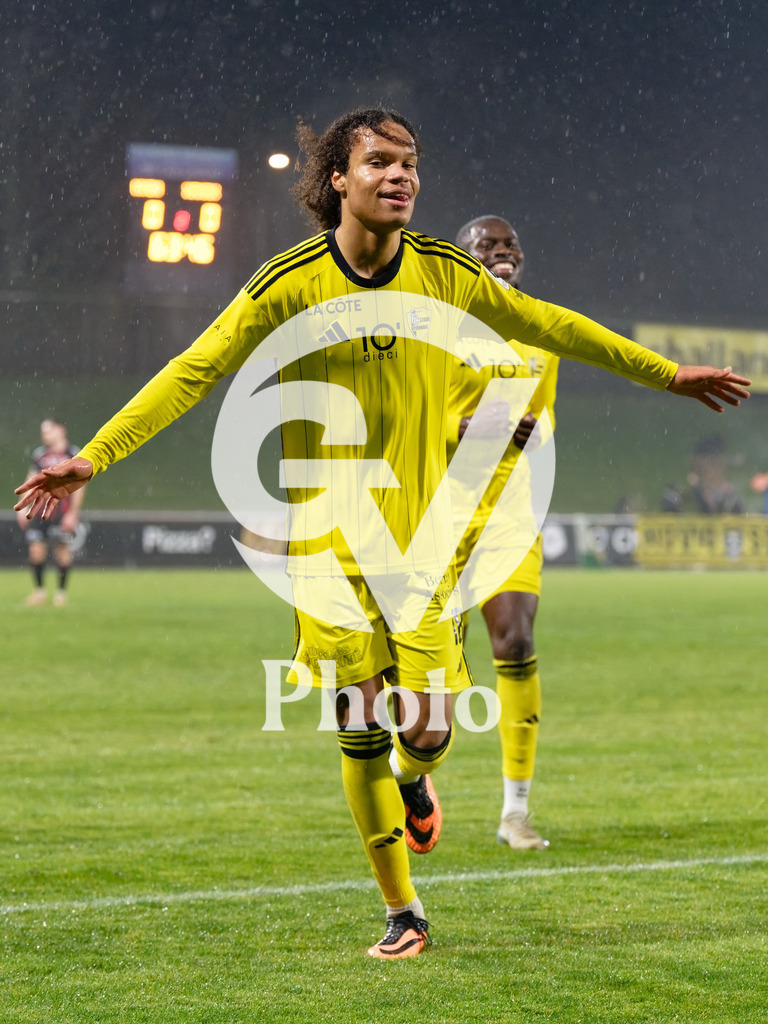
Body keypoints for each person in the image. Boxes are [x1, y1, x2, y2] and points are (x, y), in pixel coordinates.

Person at [14, 108, 750, 959]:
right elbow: (196, 370)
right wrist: (95, 457)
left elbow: (550, 326)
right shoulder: (286, 283)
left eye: (410, 164)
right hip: (329, 551)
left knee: (427, 730)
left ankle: (417, 780)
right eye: (381, 162)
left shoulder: (444, 274)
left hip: (426, 550)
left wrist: (666, 376)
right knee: (357, 726)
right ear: (338, 179)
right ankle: (405, 913)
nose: (402, 176)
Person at [449, 216, 555, 851]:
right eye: (486, 244)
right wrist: (460, 429)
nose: (502, 251)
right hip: (436, 515)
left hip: (511, 513)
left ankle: (515, 811)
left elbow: (539, 425)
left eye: (510, 243)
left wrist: (527, 432)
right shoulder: (435, 330)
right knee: (427, 685)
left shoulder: (539, 331)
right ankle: (412, 776)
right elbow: (411, 419)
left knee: (514, 643)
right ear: (461, 259)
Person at [16, 418, 85, 607]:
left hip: (61, 511)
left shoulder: (74, 454)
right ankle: (40, 593)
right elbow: (31, 480)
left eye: (48, 430)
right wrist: (23, 508)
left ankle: (61, 595)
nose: (44, 434)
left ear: (61, 430)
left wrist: (72, 513)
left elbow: (79, 486)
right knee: (36, 550)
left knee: (62, 551)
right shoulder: (40, 455)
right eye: (43, 431)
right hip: (39, 511)